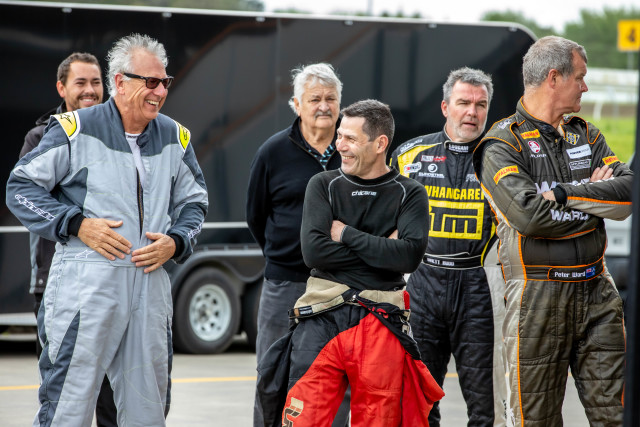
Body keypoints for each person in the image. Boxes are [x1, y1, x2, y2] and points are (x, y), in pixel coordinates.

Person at [6, 34, 208, 426]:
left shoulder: (176, 136)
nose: (160, 91)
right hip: (85, 290)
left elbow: (194, 203)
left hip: (150, 288)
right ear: (120, 82)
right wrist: (77, 224)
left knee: (148, 412)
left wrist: (177, 241)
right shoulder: (74, 129)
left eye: (165, 82)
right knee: (67, 409)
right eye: (150, 82)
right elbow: (21, 188)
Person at [472, 36, 632, 426]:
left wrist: (564, 194)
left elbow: (630, 192)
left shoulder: (586, 134)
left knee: (618, 416)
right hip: (537, 298)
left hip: (597, 291)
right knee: (535, 421)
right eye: (580, 77)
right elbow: (529, 217)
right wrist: (595, 203)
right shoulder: (501, 144)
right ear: (554, 78)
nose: (585, 87)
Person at [257, 99, 444, 426]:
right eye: (339, 136)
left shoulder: (410, 192)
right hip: (321, 315)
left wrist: (344, 233)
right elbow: (314, 253)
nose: (339, 145)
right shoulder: (323, 185)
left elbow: (408, 257)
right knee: (304, 419)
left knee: (380, 421)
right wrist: (384, 248)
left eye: (350, 139)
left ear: (380, 144)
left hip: (381, 319)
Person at [390, 67, 508, 426]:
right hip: (422, 284)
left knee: (486, 407)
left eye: (480, 105)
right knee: (418, 402)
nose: (472, 112)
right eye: (463, 103)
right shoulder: (408, 155)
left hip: (479, 289)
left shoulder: (504, 159)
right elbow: (384, 224)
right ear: (445, 107)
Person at [18, 52, 118, 427]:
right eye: (81, 83)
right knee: (64, 394)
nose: (90, 90)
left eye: (96, 82)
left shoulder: (122, 136)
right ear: (62, 88)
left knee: (113, 397)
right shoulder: (40, 138)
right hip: (57, 282)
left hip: (113, 281)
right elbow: (26, 198)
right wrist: (78, 224)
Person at [246, 63, 349, 426]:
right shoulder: (272, 152)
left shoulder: (354, 149)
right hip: (284, 284)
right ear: (297, 104)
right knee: (273, 373)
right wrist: (286, 254)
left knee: (335, 377)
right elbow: (256, 216)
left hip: (341, 285)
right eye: (315, 99)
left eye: (330, 99)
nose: (324, 106)